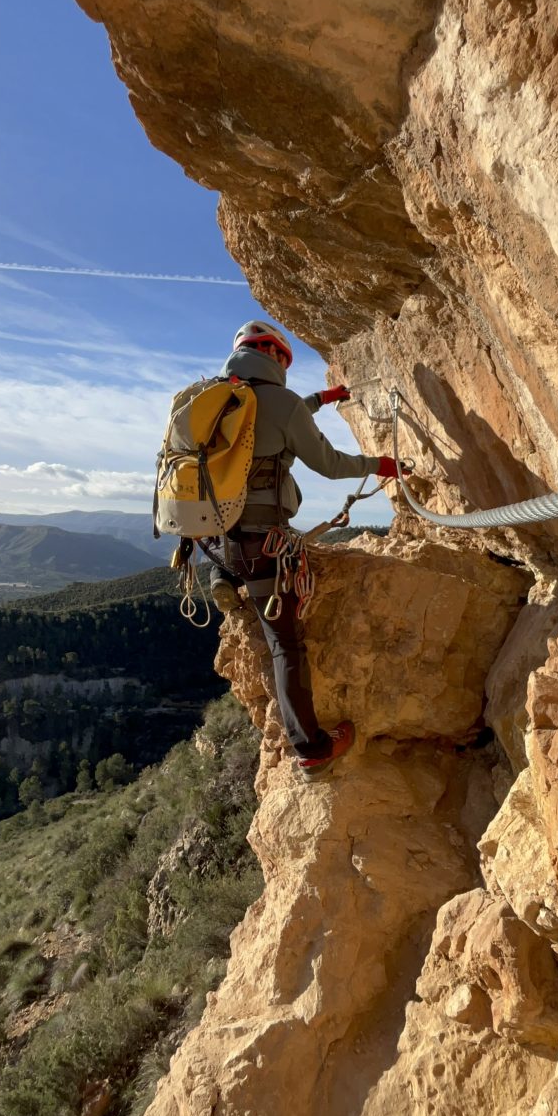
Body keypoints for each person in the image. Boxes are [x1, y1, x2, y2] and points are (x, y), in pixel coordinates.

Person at [199, 320, 405, 782]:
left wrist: (324, 400)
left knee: (234, 560)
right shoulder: (281, 403)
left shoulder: (215, 399)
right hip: (264, 544)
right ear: (277, 358)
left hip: (215, 539)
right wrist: (380, 464)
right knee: (286, 646)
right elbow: (327, 462)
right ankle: (311, 749)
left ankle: (220, 578)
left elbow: (274, 415)